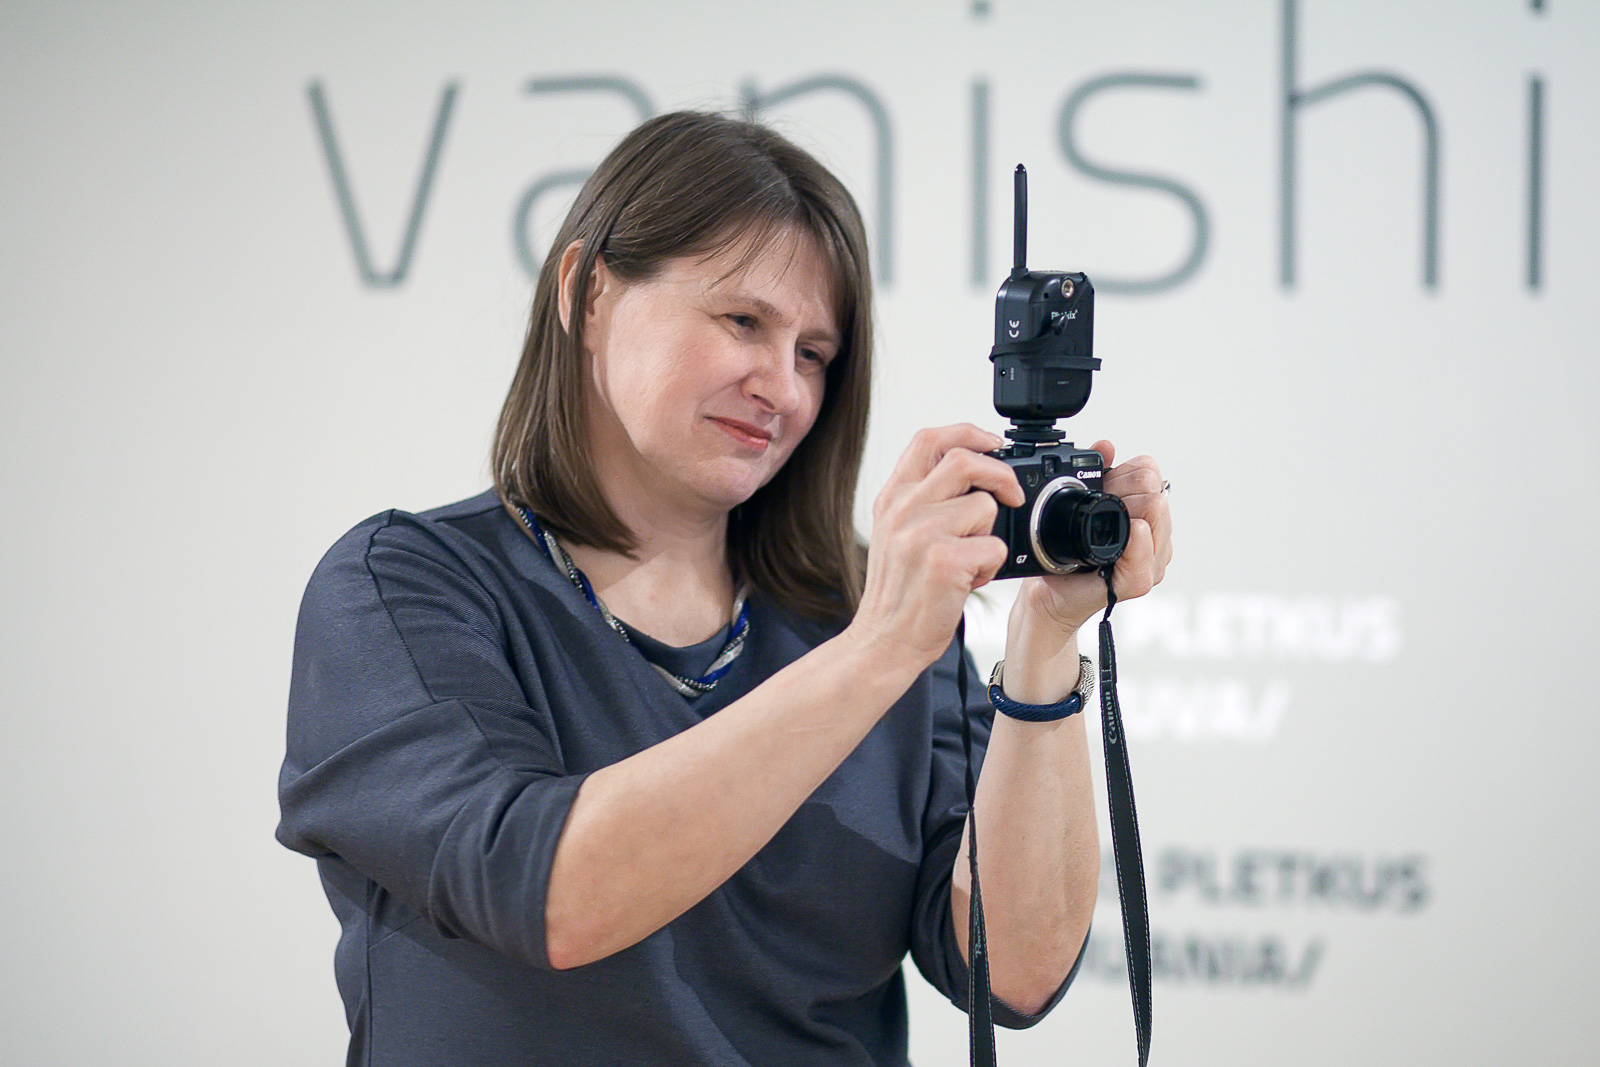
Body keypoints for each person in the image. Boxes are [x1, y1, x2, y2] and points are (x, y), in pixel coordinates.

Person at [277, 110, 1172, 1066]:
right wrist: (876, 651)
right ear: (587, 293)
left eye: (813, 355)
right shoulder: (405, 586)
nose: (780, 387)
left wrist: (1045, 638)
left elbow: (1015, 969)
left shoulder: (860, 611)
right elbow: (549, 894)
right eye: (743, 321)